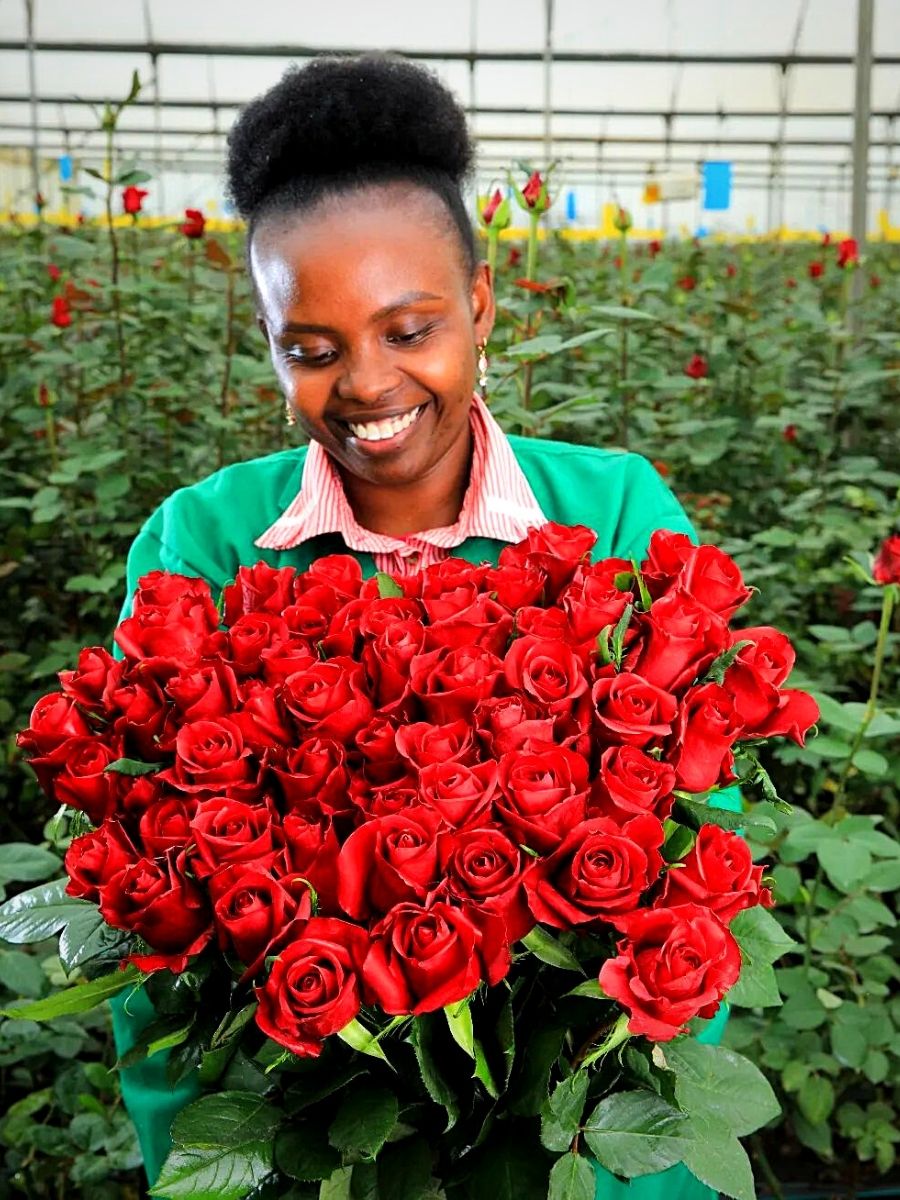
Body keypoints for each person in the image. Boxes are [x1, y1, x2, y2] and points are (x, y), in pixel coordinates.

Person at [108, 53, 739, 1198]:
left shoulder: (611, 514)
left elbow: (701, 855)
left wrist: (595, 1136)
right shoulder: (201, 543)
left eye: (411, 329)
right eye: (311, 348)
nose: (366, 384)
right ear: (266, 339)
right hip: (307, 1135)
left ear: (482, 306)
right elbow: (145, 904)